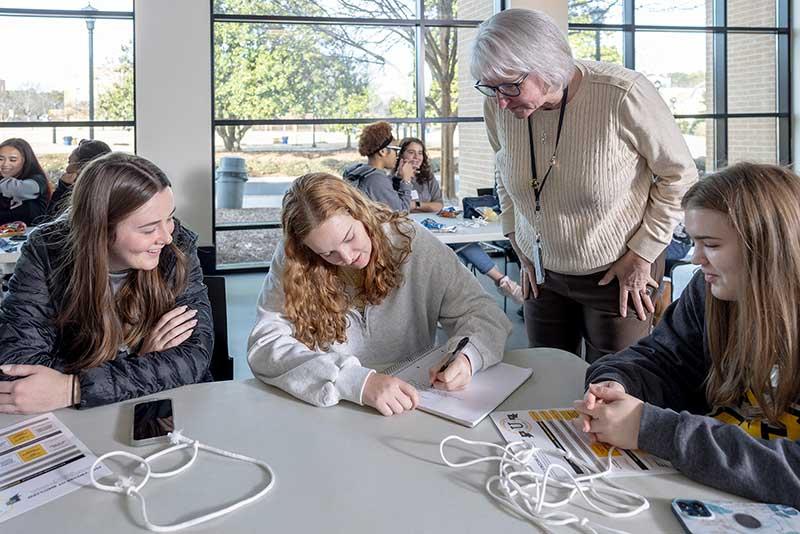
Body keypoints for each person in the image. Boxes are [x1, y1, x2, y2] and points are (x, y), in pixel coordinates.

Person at [471, 9, 698, 362]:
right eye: (491, 87)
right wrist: (518, 241)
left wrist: (642, 254)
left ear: (547, 67)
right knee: (545, 377)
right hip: (541, 270)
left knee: (612, 387)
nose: (500, 100)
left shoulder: (623, 94)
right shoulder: (498, 106)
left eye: (510, 86)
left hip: (618, 270)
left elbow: (679, 176)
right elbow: (504, 171)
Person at [575, 163, 800, 507]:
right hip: (708, 492)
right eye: (694, 242)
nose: (696, 259)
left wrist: (654, 430)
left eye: (710, 244)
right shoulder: (708, 294)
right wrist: (617, 384)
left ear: (767, 247)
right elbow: (661, 360)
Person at [247, 173, 511, 416]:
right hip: (332, 408)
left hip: (415, 403)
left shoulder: (411, 241)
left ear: (360, 213)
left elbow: (484, 314)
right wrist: (354, 382)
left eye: (349, 237)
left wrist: (467, 357)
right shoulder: (296, 260)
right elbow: (265, 345)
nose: (347, 258)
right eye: (327, 254)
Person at [0, 153, 213, 413]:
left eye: (169, 218)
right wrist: (142, 361)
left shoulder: (177, 247)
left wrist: (72, 388)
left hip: (174, 407)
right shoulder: (46, 250)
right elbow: (18, 365)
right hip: (78, 419)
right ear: (99, 229)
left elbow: (193, 356)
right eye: (148, 229)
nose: (167, 237)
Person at [395, 137, 523, 305]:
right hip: (412, 236)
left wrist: (415, 204)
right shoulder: (394, 180)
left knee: (460, 246)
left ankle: (494, 285)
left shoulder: (428, 179)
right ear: (402, 155)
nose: (416, 157)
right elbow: (399, 209)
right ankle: (503, 282)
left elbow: (437, 206)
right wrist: (420, 205)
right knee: (457, 251)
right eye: (411, 152)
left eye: (420, 153)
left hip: (436, 229)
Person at [342, 121, 415, 211]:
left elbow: (387, 196)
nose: (397, 155)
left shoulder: (355, 170)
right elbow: (401, 213)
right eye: (396, 149)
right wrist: (406, 181)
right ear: (383, 151)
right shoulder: (376, 179)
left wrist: (398, 178)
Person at [45, 139, 111, 221]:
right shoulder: (108, 189)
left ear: (82, 167)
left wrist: (63, 188)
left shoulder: (84, 196)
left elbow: (49, 222)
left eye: (69, 162)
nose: (66, 169)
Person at [0, 138, 52, 226]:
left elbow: (16, 189)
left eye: (13, 160)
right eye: (0, 159)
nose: (5, 164)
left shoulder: (37, 181)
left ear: (25, 161)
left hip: (32, 236)